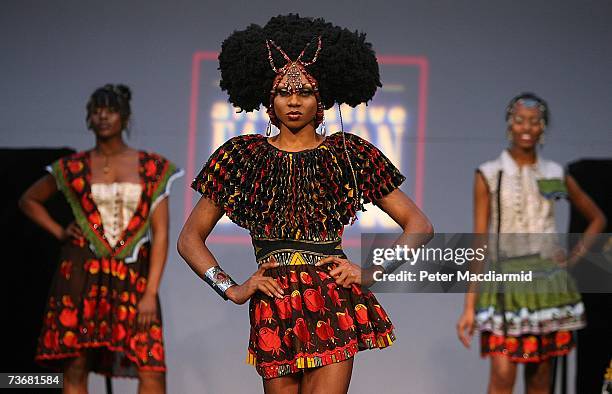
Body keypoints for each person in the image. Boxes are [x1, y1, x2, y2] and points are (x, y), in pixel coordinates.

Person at [178, 14, 433, 394]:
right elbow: (189, 239)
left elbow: (420, 226)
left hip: (331, 297)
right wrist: (231, 288)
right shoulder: (240, 157)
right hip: (272, 300)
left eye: (305, 91)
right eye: (284, 91)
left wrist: (370, 273)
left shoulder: (348, 154)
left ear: (322, 99)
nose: (294, 101)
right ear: (269, 98)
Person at [19, 84, 183, 393]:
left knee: (150, 364)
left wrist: (150, 293)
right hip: (81, 275)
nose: (103, 116)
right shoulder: (73, 166)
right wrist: (59, 231)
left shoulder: (152, 167)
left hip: (132, 278)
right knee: (76, 363)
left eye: (110, 110)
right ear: (88, 118)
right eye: (97, 111)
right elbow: (28, 199)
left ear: (124, 117)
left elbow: (160, 234)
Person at [456, 93, 606, 394]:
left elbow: (597, 219)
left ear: (543, 128)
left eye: (535, 121)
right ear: (509, 125)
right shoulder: (490, 173)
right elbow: (480, 242)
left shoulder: (554, 173)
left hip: (546, 283)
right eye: (520, 120)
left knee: (540, 377)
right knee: (501, 374)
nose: (526, 127)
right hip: (506, 282)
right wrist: (469, 306)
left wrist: (573, 258)